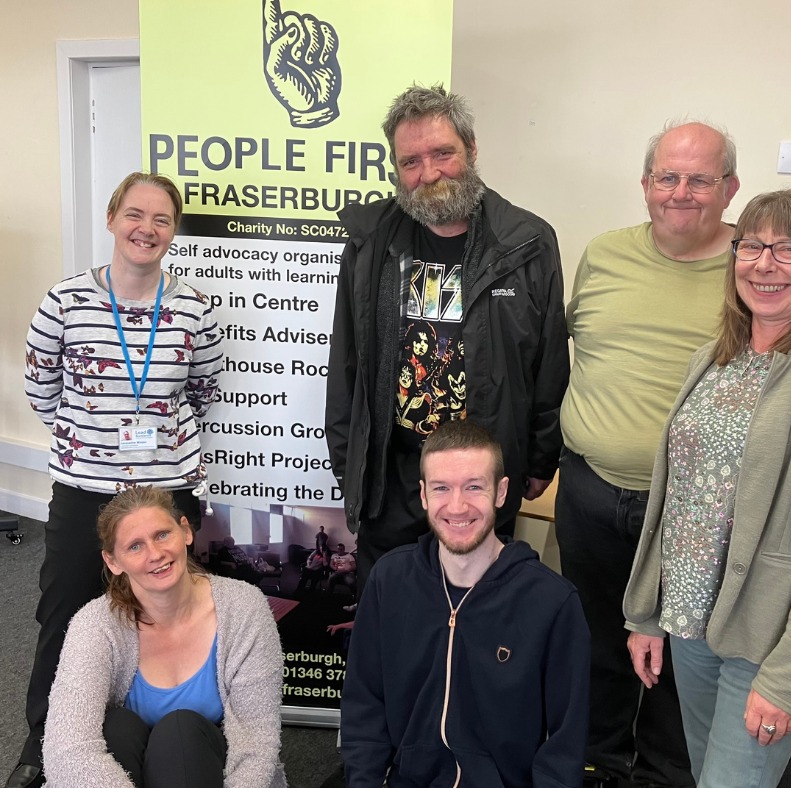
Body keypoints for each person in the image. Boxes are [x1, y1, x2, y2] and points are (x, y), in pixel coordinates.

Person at [623, 189, 791, 787]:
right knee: (707, 775)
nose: (764, 263)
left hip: (768, 640)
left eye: (788, 249)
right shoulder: (716, 359)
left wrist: (790, 677)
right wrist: (646, 612)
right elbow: (676, 500)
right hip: (691, 620)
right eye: (751, 245)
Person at [11, 172, 223, 788]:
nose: (147, 229)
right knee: (66, 609)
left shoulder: (193, 307)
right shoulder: (66, 300)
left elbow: (203, 391)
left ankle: (165, 729)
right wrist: (93, 442)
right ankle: (42, 739)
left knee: (165, 609)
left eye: (161, 220)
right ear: (111, 220)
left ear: (173, 231)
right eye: (135, 215)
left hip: (166, 488)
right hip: (85, 487)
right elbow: (40, 389)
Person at [555, 120, 740, 787]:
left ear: (730, 188)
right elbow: (570, 350)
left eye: (700, 179)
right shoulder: (604, 254)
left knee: (684, 654)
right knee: (595, 641)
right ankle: (597, 763)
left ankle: (663, 775)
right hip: (592, 491)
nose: (681, 193)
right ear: (645, 184)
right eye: (668, 176)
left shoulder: (757, 267)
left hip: (699, 507)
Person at [326, 84, 568, 589]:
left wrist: (542, 458)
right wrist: (349, 458)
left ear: (472, 149)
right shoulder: (371, 244)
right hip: (393, 476)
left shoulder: (527, 243)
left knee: (475, 613)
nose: (429, 173)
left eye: (443, 153)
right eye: (411, 161)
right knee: (392, 613)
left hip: (481, 476)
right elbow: (346, 359)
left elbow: (548, 361)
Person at [341, 420, 590, 787]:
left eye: (474, 487)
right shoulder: (388, 581)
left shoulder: (552, 602)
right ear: (424, 494)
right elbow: (364, 706)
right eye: (442, 488)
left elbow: (564, 745)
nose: (457, 507)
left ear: (501, 492)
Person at [41, 486, 286, 788]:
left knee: (180, 732)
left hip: (212, 769)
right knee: (117, 728)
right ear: (113, 562)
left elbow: (256, 746)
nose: (155, 554)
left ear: (185, 531)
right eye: (134, 546)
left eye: (161, 535)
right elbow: (67, 749)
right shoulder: (94, 625)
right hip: (123, 770)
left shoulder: (244, 608)